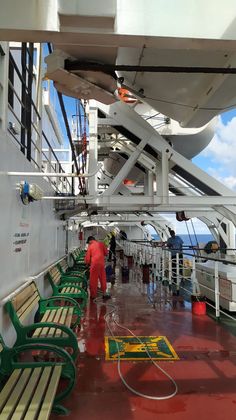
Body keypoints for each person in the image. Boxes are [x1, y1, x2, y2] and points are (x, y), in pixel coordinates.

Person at [85, 236, 111, 300]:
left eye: (89, 242)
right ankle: (104, 293)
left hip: (94, 265)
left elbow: (87, 258)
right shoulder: (101, 244)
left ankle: (93, 295)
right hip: (101, 264)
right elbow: (106, 253)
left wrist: (87, 264)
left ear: (90, 241)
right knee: (103, 278)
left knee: (93, 280)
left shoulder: (90, 246)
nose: (89, 243)